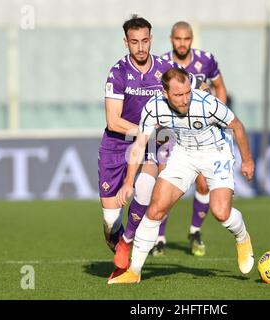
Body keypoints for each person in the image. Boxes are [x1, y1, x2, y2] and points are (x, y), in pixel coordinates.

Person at [108, 67, 255, 284]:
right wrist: (129, 182)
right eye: (178, 95)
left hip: (216, 151)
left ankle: (242, 239)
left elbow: (237, 127)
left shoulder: (207, 103)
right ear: (165, 93)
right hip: (184, 153)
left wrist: (247, 160)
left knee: (221, 212)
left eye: (187, 92)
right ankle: (134, 271)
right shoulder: (154, 107)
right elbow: (140, 143)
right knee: (156, 208)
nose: (185, 99)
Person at [100, 15, 200, 280]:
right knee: (110, 221)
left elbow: (187, 96)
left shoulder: (165, 70)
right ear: (126, 42)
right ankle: (120, 240)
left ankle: (128, 247)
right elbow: (113, 120)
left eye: (145, 41)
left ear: (151, 40)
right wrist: (143, 130)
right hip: (116, 145)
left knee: (144, 186)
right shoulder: (118, 72)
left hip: (155, 143)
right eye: (134, 42)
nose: (141, 47)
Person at [151, 21, 229, 257]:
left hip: (201, 132)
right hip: (171, 131)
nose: (182, 43)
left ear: (192, 39)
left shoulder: (206, 59)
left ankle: (195, 232)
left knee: (204, 182)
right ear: (171, 39)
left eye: (186, 39)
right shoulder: (163, 63)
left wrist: (219, 115)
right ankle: (159, 238)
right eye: (178, 39)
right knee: (166, 180)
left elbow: (219, 87)